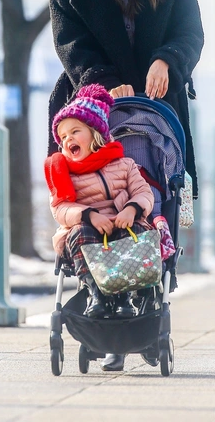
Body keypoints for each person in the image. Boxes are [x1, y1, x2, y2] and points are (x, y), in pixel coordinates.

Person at [48, 0, 204, 200]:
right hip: (95, 106)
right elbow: (71, 44)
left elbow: (190, 33)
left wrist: (167, 60)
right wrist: (105, 81)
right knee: (91, 198)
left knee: (162, 195)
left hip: (158, 101)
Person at [44, 84, 156, 371]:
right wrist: (89, 215)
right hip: (88, 233)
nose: (68, 139)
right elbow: (60, 209)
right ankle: (98, 294)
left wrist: (131, 209)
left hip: (123, 229)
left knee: (140, 235)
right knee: (80, 234)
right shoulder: (65, 174)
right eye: (63, 136)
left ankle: (127, 298)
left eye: (75, 132)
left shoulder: (124, 165)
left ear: (95, 133)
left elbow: (145, 193)